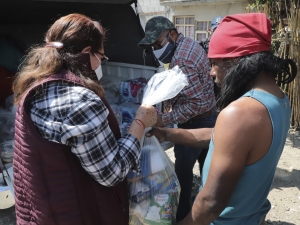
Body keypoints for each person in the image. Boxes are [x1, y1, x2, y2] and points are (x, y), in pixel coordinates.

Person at [147, 13, 297, 225]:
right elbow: (222, 138)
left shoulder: (240, 112)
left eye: (215, 63)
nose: (211, 72)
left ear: (236, 61)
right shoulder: (278, 98)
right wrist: (167, 133)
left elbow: (210, 203)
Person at [12, 13, 157, 225]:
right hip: (79, 214)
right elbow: (111, 173)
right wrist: (140, 123)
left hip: (45, 211)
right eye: (102, 57)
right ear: (87, 52)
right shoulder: (79, 99)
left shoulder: (35, 87)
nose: (101, 64)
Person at [138, 16, 217, 221]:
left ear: (172, 34)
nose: (155, 50)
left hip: (196, 121)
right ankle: (204, 214)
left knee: (182, 172)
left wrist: (163, 120)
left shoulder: (182, 59)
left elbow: (195, 104)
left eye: (158, 44)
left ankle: (183, 217)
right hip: (208, 117)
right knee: (207, 170)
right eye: (153, 46)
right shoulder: (187, 44)